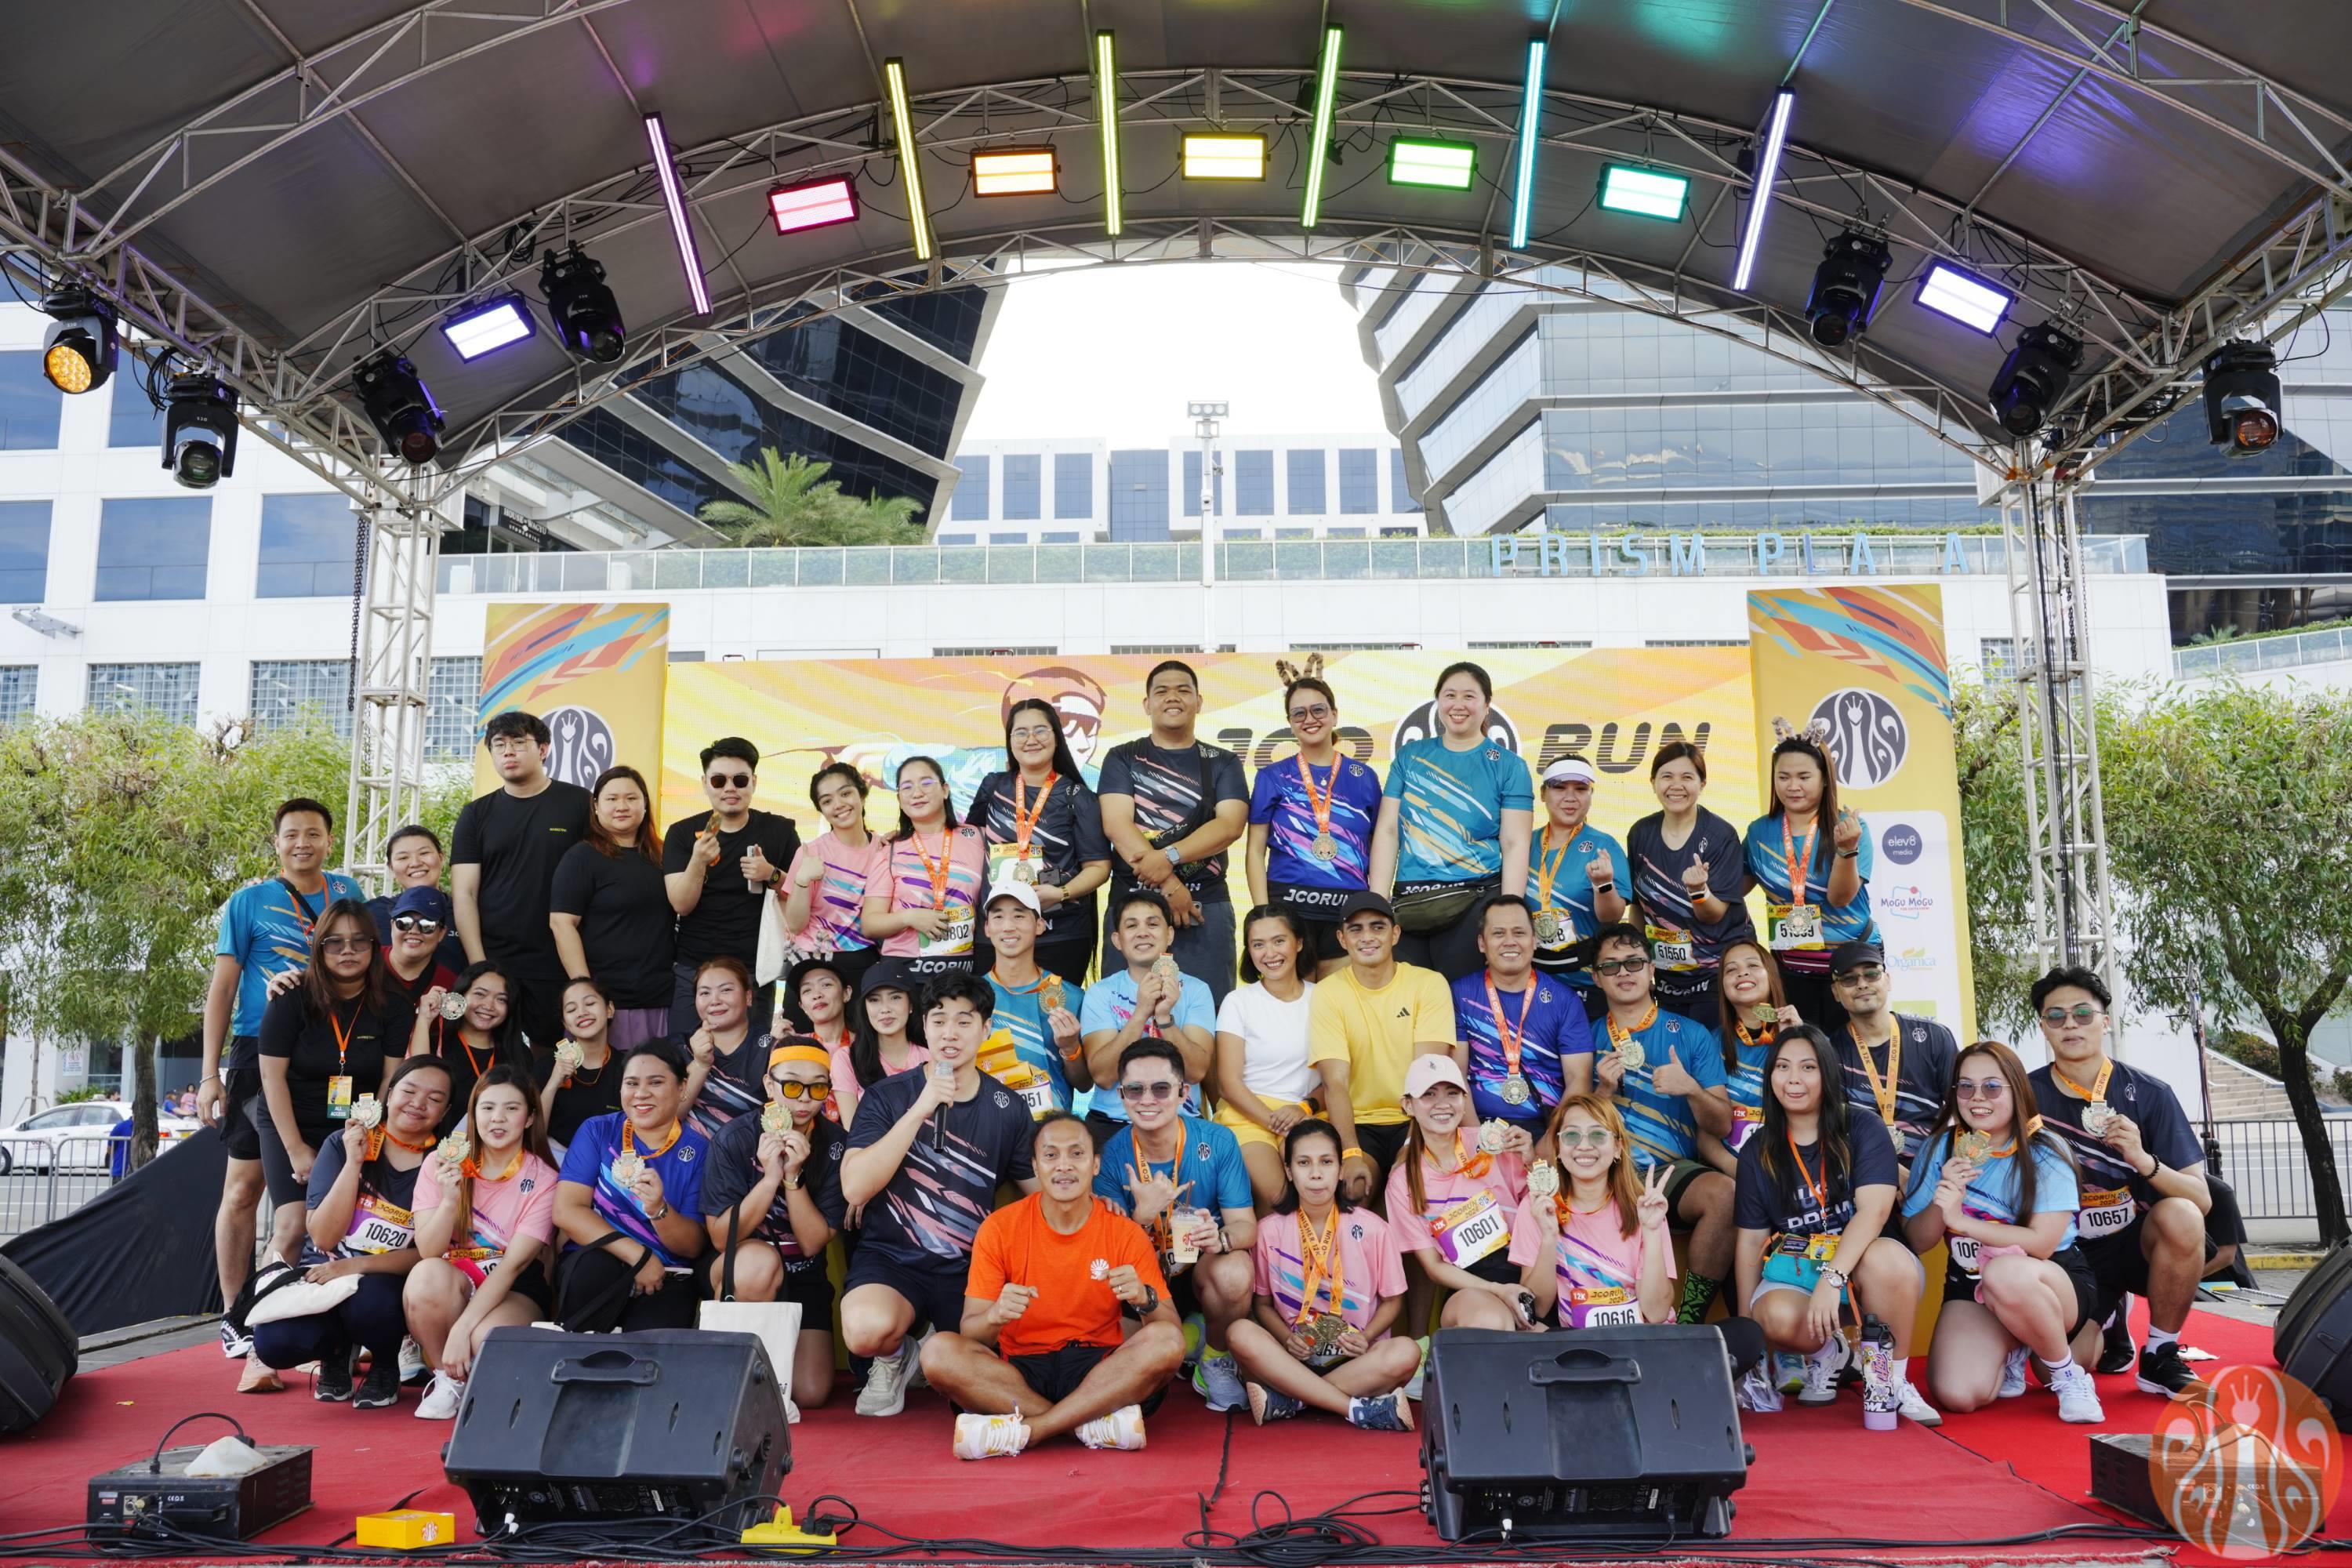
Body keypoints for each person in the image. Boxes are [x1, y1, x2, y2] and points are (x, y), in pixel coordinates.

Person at [200, 797, 366, 1358]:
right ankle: (236, 1315)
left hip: (329, 1051)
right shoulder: (248, 902)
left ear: (329, 840)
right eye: (292, 834)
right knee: (244, 1188)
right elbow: (223, 988)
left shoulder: (346, 892)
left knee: (324, 1193)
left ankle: (310, 1316)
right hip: (259, 1051)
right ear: (277, 843)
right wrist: (210, 1074)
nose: (303, 843)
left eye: (313, 833)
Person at [923, 1115, 1184, 1459]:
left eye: (1076, 1154)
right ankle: (1086, 1423)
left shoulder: (1124, 1231)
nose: (1064, 1165)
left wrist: (1144, 1299)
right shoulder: (1000, 1227)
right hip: (1019, 1372)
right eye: (1050, 1155)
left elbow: (1172, 1333)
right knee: (938, 1352)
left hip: (1099, 1368)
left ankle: (1033, 1430)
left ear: (1095, 1165)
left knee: (1166, 1342)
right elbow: (971, 1334)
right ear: (1035, 1166)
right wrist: (995, 1315)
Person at [840, 974, 1040, 1417]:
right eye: (939, 1020)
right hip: (891, 1259)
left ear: (986, 1029)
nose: (950, 1033)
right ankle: (896, 1357)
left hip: (970, 1268)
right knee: (866, 1329)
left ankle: (935, 1346)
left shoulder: (1008, 1108)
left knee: (988, 1357)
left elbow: (1039, 1195)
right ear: (924, 1027)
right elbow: (854, 1186)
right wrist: (921, 1108)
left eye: (964, 1021)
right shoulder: (887, 1096)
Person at [1733, 1025, 1938, 1425]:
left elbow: (1874, 1211)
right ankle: (1833, 1355)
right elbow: (1750, 1240)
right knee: (1771, 1314)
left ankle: (1890, 1380)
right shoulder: (1757, 1150)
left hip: (1868, 1268)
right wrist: (1748, 1339)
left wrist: (1833, 1278)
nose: (1793, 1079)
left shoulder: (1862, 1126)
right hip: (1801, 1273)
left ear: (1827, 1073)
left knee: (1885, 1260)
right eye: (1783, 1067)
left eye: (1808, 1067)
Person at [2024, 966, 2211, 1397]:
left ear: (2105, 1021)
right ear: (2044, 1027)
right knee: (2053, 1373)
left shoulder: (2150, 1093)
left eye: (2082, 1014)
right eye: (2056, 1016)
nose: (2070, 1025)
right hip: (2067, 1249)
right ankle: (2109, 1315)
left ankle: (2160, 1354)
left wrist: (2143, 1160)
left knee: (2182, 1215)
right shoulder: (2024, 1096)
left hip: (2134, 1240)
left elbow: (2200, 1198)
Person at [1904, 1039, 2104, 1424]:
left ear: (2017, 1091)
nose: (1978, 1097)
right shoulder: (1939, 1149)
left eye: (1992, 1087)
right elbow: (1917, 1241)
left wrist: (1962, 1222)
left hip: (2049, 1281)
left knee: (2006, 1274)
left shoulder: (2046, 1150)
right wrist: (1943, 1199)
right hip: (1971, 1283)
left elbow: (2042, 1244)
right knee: (1957, 1394)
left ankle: (2068, 1375)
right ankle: (2013, 1346)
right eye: (1966, 1086)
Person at [249, 1057, 453, 1411]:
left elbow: (429, 1252)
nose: (418, 1103)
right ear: (389, 1094)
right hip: (323, 1273)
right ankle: (337, 1352)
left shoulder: (443, 1164)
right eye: (409, 1091)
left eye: (434, 1099)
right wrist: (353, 1163)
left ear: (446, 1111)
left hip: (386, 1286)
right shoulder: (341, 1144)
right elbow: (323, 1238)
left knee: (371, 1301)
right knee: (274, 1341)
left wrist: (354, 1267)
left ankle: (386, 1362)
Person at [255, 900, 411, 1328]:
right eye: (335, 942)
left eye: (359, 941)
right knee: (292, 1225)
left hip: (357, 1127)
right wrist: (296, 1149)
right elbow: (271, 1079)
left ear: (374, 947)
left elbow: (390, 1080)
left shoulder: (393, 1006)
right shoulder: (290, 999)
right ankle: (261, 1326)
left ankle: (340, 1329)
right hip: (291, 1121)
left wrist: (369, 1136)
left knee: (354, 1224)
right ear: (319, 948)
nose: (347, 951)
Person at [1091, 1040, 1259, 1412]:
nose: (1147, 1100)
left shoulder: (1217, 1141)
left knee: (1235, 1271)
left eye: (1161, 1089)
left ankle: (1214, 1357)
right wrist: (1142, 1217)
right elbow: (1108, 1256)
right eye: (1136, 1089)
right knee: (1106, 1357)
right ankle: (1190, 1335)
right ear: (1121, 1096)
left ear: (1184, 1093)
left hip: (1201, 1271)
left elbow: (1246, 1226)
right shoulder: (1110, 1156)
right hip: (1142, 1284)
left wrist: (1220, 1238)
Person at [1588, 923, 1737, 1324]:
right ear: (1596, 977)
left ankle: (1689, 1323)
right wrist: (1603, 1091)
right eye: (1611, 966)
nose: (1624, 972)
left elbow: (1722, 1124)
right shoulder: (1584, 1038)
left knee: (1725, 1195)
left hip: (1670, 1173)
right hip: (1604, 1173)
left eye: (1634, 962)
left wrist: (1691, 1089)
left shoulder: (1691, 1034)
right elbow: (1569, 1131)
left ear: (1652, 970)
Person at [1226, 1120, 1417, 1430]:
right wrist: (1287, 1340)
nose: (1316, 1173)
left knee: (1407, 1352)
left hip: (1357, 1359)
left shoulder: (1374, 1229)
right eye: (1304, 1163)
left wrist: (1365, 1337)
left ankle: (1294, 1399)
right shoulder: (1268, 1231)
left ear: (1341, 1169)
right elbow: (1262, 1305)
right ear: (1289, 1171)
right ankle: (1354, 1408)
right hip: (1293, 1358)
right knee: (1239, 1333)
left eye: (1326, 1162)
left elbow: (1393, 1301)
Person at [405, 1065, 560, 1420]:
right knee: (425, 1275)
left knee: (484, 1338)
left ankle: (477, 1376)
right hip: (452, 1278)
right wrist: (449, 1200)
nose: (497, 1119)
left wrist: (463, 1329)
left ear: (530, 1117)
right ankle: (448, 1379)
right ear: (473, 1114)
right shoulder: (441, 1162)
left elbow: (514, 1266)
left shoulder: (544, 1178)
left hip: (512, 1287)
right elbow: (428, 1251)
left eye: (511, 1108)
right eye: (487, 1108)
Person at [699, 1041, 849, 1409]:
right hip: (744, 1266)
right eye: (792, 1085)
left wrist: (793, 1178)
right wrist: (769, 1179)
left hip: (803, 1269)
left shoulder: (836, 1144)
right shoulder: (735, 1137)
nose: (804, 1098)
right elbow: (721, 1239)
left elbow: (813, 1243)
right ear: (769, 1084)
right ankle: (731, 1379)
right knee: (757, 1265)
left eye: (818, 1087)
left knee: (811, 1392)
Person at [1367, 662, 1534, 981]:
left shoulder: (1509, 766)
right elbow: (1388, 831)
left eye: (1469, 696)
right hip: (1411, 902)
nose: (1459, 705)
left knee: (1462, 999)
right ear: (1438, 702)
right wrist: (1378, 904)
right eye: (1450, 695)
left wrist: (1509, 911)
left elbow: (1515, 843)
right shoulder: (1409, 756)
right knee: (1409, 1000)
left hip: (1475, 900)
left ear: (1487, 704)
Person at [1097, 660, 1250, 1006]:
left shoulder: (1223, 761)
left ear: (1199, 701)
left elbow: (1229, 826)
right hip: (1133, 905)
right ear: (1147, 704)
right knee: (1124, 1017)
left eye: (1183, 690)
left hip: (1204, 906)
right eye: (1162, 691)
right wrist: (1170, 885)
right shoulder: (1123, 757)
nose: (1173, 697)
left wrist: (1168, 857)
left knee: (1208, 1016)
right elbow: (1117, 825)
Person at [452, 710, 593, 1053]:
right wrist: (480, 966)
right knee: (495, 1058)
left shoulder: (580, 803)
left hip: (560, 958)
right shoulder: (476, 814)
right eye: (499, 745)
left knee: (559, 1058)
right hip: (498, 960)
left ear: (543, 749)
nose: (508, 752)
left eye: (518, 742)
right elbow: (465, 893)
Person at [550, 1041, 713, 1332]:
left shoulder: (699, 1151)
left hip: (665, 1275)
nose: (641, 1093)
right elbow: (567, 1211)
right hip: (597, 1264)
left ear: (682, 1087)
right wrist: (638, 1255)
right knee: (594, 1271)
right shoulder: (598, 1131)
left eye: (656, 1082)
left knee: (653, 1345)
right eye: (632, 1083)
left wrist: (659, 1210)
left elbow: (692, 1246)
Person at [1305, 891, 1456, 1202]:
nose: (1367, 937)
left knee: (1415, 1187)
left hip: (1416, 1118)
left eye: (1378, 927)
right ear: (1342, 939)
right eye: (1356, 929)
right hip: (1359, 1122)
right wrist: (1350, 1152)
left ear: (1395, 934)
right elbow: (1335, 1083)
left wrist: (1410, 1146)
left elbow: (1429, 1078)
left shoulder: (1429, 984)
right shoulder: (1328, 992)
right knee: (1353, 1191)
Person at [1246, 667, 1383, 973]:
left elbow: (1378, 847)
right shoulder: (1272, 776)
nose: (1309, 719)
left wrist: (1374, 905)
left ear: (1334, 714)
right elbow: (1255, 851)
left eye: (1318, 710)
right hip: (1289, 909)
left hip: (1347, 911)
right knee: (1294, 1000)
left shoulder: (1364, 777)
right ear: (1290, 723)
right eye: (1299, 713)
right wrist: (1263, 913)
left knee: (1341, 1000)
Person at [1385, 1054, 1534, 1334]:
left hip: (1528, 1271)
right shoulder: (1402, 1181)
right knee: (1491, 1323)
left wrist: (1531, 1161)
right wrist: (1498, 1290)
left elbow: (1539, 1209)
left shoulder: (1493, 1142)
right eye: (1429, 1094)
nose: (1442, 1104)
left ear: (1465, 1101)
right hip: (1470, 1286)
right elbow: (1433, 1267)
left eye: (1452, 1093)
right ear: (1408, 1105)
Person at [969, 697, 1112, 984]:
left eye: (1040, 730)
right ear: (1010, 741)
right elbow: (966, 839)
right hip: (997, 932)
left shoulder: (1078, 797)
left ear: (1056, 738)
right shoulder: (993, 787)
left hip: (1060, 933)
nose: (1031, 739)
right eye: (1021, 732)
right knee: (993, 1011)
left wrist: (1062, 893)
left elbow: (1099, 867)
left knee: (1056, 1010)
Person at [664, 739, 800, 1037]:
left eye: (740, 780)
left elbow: (803, 901)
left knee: (752, 1058)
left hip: (754, 970)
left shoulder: (779, 830)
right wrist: (698, 861)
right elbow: (681, 904)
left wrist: (771, 874)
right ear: (705, 784)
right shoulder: (682, 833)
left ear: (754, 782)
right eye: (719, 780)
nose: (730, 788)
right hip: (694, 968)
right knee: (684, 1054)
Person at [1510, 1095, 1675, 1330]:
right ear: (1558, 1148)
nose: (1584, 1145)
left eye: (1598, 1135)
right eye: (1572, 1135)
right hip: (1579, 1343)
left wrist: (1651, 1232)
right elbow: (1538, 1309)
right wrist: (1548, 1237)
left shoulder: (1644, 1209)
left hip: (1642, 1339)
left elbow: (1656, 1313)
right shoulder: (1538, 1205)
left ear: (1618, 1148)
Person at [1744, 727, 1872, 1024]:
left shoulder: (1850, 828)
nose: (1793, 786)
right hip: (1790, 968)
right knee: (1800, 1048)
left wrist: (1846, 849)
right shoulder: (1759, 831)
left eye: (1804, 777)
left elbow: (1840, 899)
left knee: (1851, 1048)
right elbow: (1734, 889)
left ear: (1825, 778)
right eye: (1783, 777)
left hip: (1849, 967)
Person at [1624, 740, 1752, 1027]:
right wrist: (1638, 962)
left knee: (1714, 1050)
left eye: (1687, 777)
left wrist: (1699, 892)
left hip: (1717, 973)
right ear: (1653, 782)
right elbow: (1638, 907)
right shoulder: (1640, 833)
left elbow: (1714, 914)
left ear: (1702, 783)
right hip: (1667, 974)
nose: (1676, 785)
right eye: (1667, 776)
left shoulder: (1721, 835)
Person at [550, 764, 676, 1049]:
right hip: (608, 1003)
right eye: (612, 799)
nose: (622, 806)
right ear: (596, 806)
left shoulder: (664, 854)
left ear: (645, 804)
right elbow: (561, 923)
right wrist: (586, 993)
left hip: (660, 997)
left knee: (658, 1074)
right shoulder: (581, 857)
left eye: (631, 798)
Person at [1078, 887, 1217, 1143]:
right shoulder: (1100, 993)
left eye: (1153, 924)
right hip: (1113, 1122)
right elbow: (1103, 1077)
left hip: (1181, 1122)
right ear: (1117, 940)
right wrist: (1141, 1012)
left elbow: (1196, 1071)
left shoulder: (1196, 990)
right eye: (1132, 926)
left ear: (1169, 934)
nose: (1143, 932)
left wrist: (1165, 1019)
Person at [1451, 895, 1594, 1142]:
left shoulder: (1564, 1000)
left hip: (1546, 1127)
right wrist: (1477, 1140)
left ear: (1534, 940)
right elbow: (1456, 1075)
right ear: (1482, 943)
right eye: (1498, 934)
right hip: (1478, 1124)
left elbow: (1579, 1080)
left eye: (1519, 933)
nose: (1510, 942)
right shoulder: (1459, 994)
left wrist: (1550, 1142)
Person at [1213, 905, 1323, 1208]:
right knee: (1280, 1198)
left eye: (1279, 941)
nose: (1270, 953)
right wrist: (1278, 1124)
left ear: (1298, 943)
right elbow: (1228, 1084)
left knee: (1316, 1192)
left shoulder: (1324, 998)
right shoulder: (1238, 1002)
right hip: (1248, 1116)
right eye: (1258, 944)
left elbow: (1337, 1077)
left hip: (1306, 1114)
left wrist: (1304, 1108)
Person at [1825, 941, 1959, 1178]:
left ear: (1887, 980)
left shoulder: (1934, 1037)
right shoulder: (1828, 1052)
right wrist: (1892, 1172)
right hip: (1864, 1175)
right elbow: (1835, 1132)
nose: (1862, 984)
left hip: (1935, 1173)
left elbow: (1962, 1110)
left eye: (1871, 974)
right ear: (1836, 992)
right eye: (1849, 979)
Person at [863, 755, 988, 977]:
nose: (917, 793)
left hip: (963, 973)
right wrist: (910, 917)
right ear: (899, 799)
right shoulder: (890, 850)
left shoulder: (977, 837)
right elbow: (870, 924)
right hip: (906, 973)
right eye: (907, 787)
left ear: (945, 790)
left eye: (926, 783)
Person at [979, 883, 1091, 1120]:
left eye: (1019, 916)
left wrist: (1070, 1048)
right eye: (998, 917)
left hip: (1049, 1129)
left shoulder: (1071, 997)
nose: (1008, 927)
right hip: (989, 1126)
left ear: (1040, 925)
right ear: (987, 928)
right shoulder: (971, 997)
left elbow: (1084, 1084)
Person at [779, 761, 888, 996]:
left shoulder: (885, 849)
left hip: (865, 961)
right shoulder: (811, 853)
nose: (838, 805)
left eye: (845, 794)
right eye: (827, 801)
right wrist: (802, 879)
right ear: (821, 810)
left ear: (862, 794)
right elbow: (795, 925)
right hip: (813, 962)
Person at [1526, 757, 1630, 993]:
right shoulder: (1524, 843)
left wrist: (1603, 885)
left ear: (1591, 794)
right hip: (1532, 979)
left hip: (1587, 982)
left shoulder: (1604, 846)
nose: (1570, 797)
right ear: (1542, 793)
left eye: (1581, 789)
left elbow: (1612, 917)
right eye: (1560, 788)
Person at [1706, 939, 1805, 1172]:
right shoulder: (1709, 1042)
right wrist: (1742, 1174)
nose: (1742, 973)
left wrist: (1797, 1040)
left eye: (1753, 965)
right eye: (1731, 970)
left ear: (1772, 975)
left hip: (1795, 1165)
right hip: (1734, 1170)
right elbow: (1704, 1132)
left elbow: (1820, 1112)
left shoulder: (1804, 1034)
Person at [408, 961, 535, 1135]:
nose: (489, 1006)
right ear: (460, 996)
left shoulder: (519, 1054)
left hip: (496, 1146)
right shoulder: (436, 1043)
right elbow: (419, 1079)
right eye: (480, 994)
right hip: (435, 1146)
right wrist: (424, 1018)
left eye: (501, 999)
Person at [680, 956, 774, 1143]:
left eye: (726, 990)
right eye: (705, 993)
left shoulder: (772, 1047)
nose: (715, 1001)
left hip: (753, 1154)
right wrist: (700, 1064)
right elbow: (667, 1119)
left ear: (748, 997)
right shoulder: (678, 1047)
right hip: (691, 1155)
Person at [834, 957, 930, 1127]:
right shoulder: (847, 1059)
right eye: (874, 1000)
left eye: (895, 998)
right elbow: (852, 1130)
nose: (885, 1009)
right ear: (865, 1008)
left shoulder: (931, 1058)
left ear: (910, 1005)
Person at [540, 975, 625, 1154]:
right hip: (558, 1158)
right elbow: (533, 1136)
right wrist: (553, 1084)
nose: (582, 1013)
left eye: (590, 1003)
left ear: (609, 1009)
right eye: (571, 1009)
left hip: (614, 1159)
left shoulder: (628, 1066)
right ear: (565, 1023)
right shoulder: (546, 1067)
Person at [367, 825, 467, 975]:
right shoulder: (371, 914)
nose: (415, 863)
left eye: (424, 853)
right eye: (403, 858)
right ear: (391, 867)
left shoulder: (467, 912)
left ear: (441, 857)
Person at [383, 887, 460, 1007]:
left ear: (441, 933)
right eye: (404, 922)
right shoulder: (366, 963)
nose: (414, 931)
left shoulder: (450, 987)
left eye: (427, 925)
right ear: (392, 926)